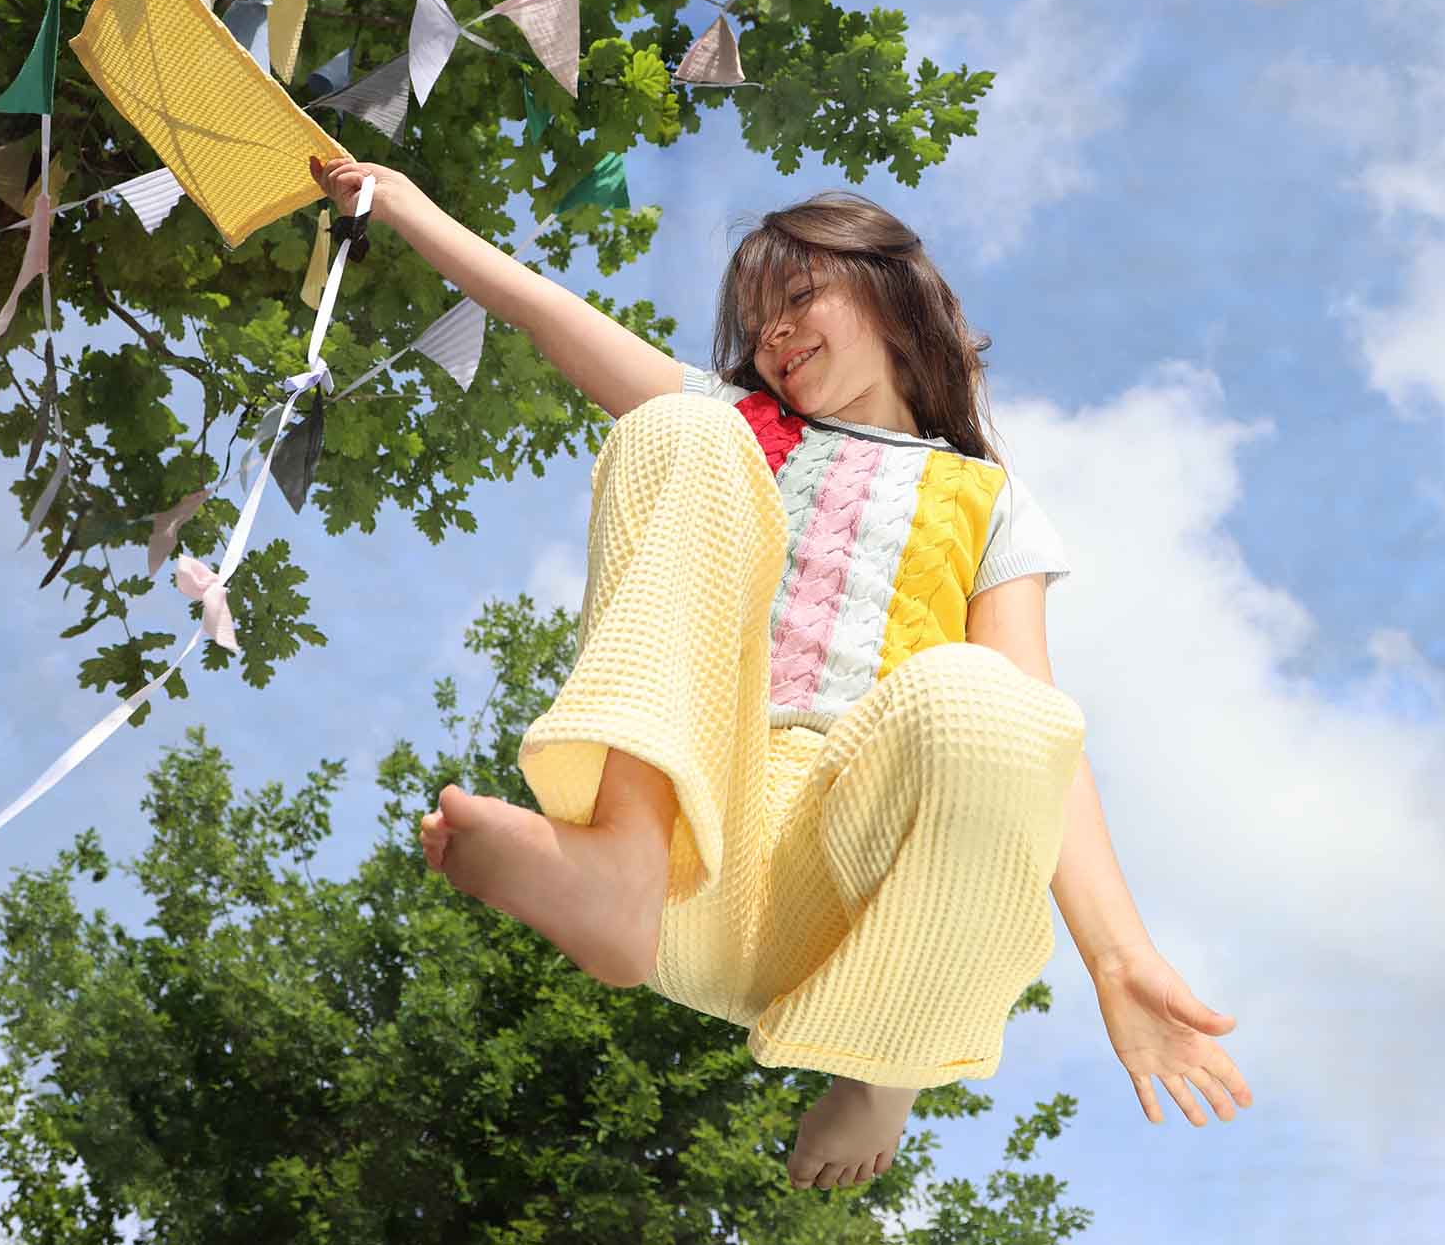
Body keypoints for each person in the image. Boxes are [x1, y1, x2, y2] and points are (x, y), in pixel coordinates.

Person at [310, 154, 1089, 1193]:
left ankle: (883, 1071)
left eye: (799, 296)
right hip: (697, 864)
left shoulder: (990, 500)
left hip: (854, 913)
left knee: (997, 706)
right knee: (679, 424)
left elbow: (1045, 757)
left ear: (894, 289)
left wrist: (1123, 966)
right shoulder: (741, 425)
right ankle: (618, 865)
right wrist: (403, 205)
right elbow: (544, 311)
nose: (773, 334)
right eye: (757, 321)